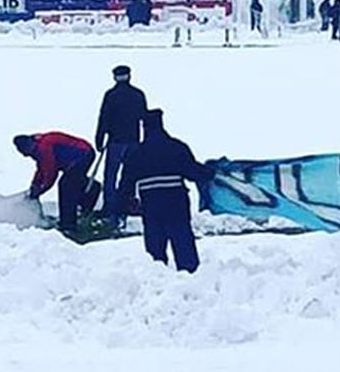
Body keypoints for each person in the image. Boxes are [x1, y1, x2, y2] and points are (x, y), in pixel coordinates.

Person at [118, 109, 212, 274]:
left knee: (155, 256)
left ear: (144, 128)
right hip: (176, 204)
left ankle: (158, 281)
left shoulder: (136, 154)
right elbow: (193, 173)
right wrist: (210, 172)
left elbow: (126, 184)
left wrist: (126, 203)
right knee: (183, 246)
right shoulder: (177, 148)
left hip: (151, 207)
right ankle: (191, 280)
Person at [14, 132, 96, 233]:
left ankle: (68, 225)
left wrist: (40, 190)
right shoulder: (36, 145)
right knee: (73, 181)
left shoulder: (43, 147)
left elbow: (51, 174)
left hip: (83, 155)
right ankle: (93, 190)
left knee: (66, 185)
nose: (26, 156)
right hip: (81, 153)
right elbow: (41, 167)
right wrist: (35, 184)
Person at [95, 64, 147, 220]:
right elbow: (144, 118)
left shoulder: (111, 95)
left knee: (110, 176)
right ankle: (126, 203)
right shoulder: (138, 94)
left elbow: (104, 117)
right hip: (134, 140)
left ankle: (110, 207)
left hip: (116, 141)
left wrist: (99, 137)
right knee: (130, 175)